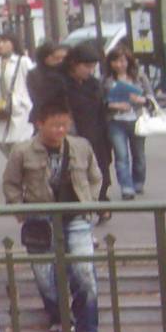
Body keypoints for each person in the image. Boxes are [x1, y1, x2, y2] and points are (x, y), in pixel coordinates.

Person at [2, 99, 103, 332]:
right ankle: (59, 317)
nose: (60, 130)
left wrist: (90, 202)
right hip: (40, 218)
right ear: (40, 124)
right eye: (55, 125)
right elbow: (11, 183)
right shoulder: (22, 151)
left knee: (84, 271)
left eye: (64, 125)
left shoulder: (80, 146)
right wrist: (20, 210)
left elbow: (95, 176)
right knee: (45, 276)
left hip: (76, 215)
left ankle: (88, 326)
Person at [62, 40, 113, 221]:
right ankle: (85, 209)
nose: (90, 71)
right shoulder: (63, 84)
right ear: (74, 64)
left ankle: (100, 203)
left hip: (97, 135)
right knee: (78, 174)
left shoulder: (94, 84)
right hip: (75, 136)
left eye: (93, 67)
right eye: (86, 66)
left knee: (100, 171)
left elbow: (101, 110)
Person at [103, 45, 154, 200]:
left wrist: (141, 100)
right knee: (121, 155)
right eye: (115, 61)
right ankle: (126, 187)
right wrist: (113, 105)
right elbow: (101, 101)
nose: (119, 65)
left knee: (139, 154)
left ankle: (138, 182)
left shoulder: (139, 77)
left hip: (137, 120)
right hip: (116, 121)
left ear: (128, 61)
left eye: (123, 61)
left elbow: (150, 98)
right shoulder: (106, 80)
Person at [0, 32, 34, 157]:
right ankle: (15, 165)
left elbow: (34, 83)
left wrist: (24, 101)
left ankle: (20, 166)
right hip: (2, 110)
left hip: (20, 109)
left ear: (13, 43)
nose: (0, 45)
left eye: (4, 42)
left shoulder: (23, 61)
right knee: (2, 141)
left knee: (20, 143)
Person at [26, 41, 68, 123]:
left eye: (63, 58)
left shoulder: (65, 72)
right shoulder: (35, 74)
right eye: (57, 58)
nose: (61, 61)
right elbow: (37, 97)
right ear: (46, 57)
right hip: (45, 116)